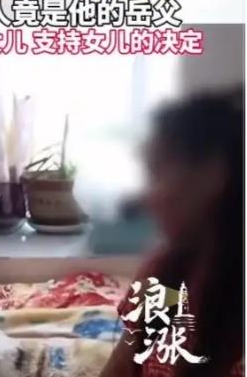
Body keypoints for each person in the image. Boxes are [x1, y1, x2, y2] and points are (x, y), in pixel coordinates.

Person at [101, 90, 244, 377]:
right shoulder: (168, 268)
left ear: (212, 174)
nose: (147, 199)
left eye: (157, 172)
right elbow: (122, 366)